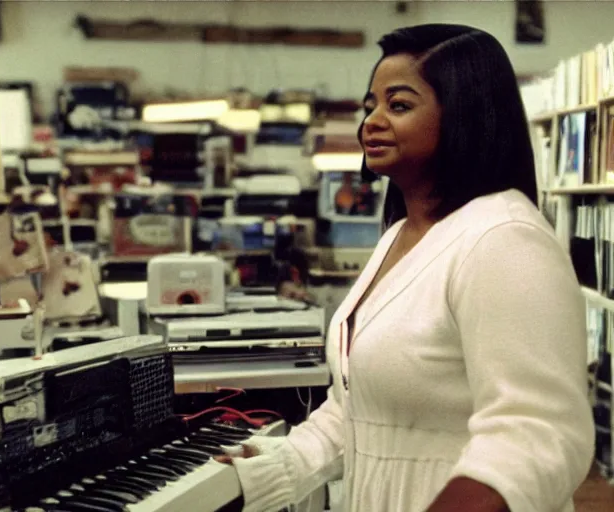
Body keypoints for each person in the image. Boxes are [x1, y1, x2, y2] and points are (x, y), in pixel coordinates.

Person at [217, 24, 595, 512]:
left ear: (462, 116)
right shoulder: (400, 235)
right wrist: (278, 463)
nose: (371, 122)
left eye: (398, 105)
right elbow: (359, 404)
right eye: (368, 105)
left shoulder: (504, 240)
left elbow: (539, 433)